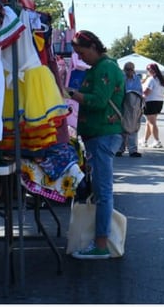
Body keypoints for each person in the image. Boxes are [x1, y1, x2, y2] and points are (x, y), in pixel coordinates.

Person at [65, 30, 124, 260]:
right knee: (101, 191)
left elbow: (99, 101)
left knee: (103, 191)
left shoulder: (106, 68)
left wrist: (72, 94)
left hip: (103, 135)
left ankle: (101, 244)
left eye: (82, 53)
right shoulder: (99, 68)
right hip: (97, 136)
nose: (81, 58)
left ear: (92, 47)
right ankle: (99, 240)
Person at [119, 62, 144, 158]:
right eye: (127, 69)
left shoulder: (137, 79)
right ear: (124, 70)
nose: (129, 71)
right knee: (122, 127)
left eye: (131, 69)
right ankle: (120, 149)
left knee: (133, 128)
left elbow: (139, 91)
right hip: (123, 105)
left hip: (134, 106)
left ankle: (133, 150)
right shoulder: (121, 78)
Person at [141, 63, 164, 148]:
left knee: (152, 122)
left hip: (150, 102)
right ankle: (145, 140)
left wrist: (140, 92)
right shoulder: (160, 79)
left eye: (149, 69)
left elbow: (146, 92)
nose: (148, 71)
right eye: (148, 69)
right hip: (159, 102)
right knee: (149, 122)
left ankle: (157, 141)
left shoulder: (151, 79)